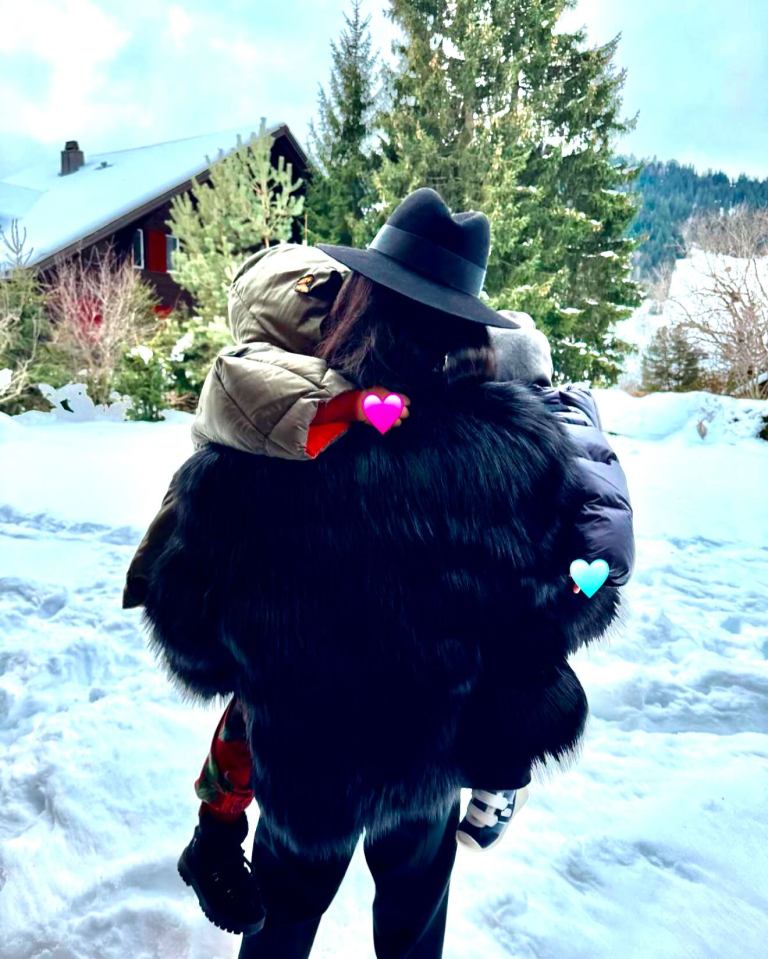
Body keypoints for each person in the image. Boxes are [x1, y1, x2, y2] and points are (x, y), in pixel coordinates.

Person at [138, 188, 628, 959]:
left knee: (279, 926)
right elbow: (552, 614)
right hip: (428, 762)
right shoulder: (518, 458)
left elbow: (190, 632)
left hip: (304, 765)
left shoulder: (273, 440)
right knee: (412, 928)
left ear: (353, 298)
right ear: (471, 329)